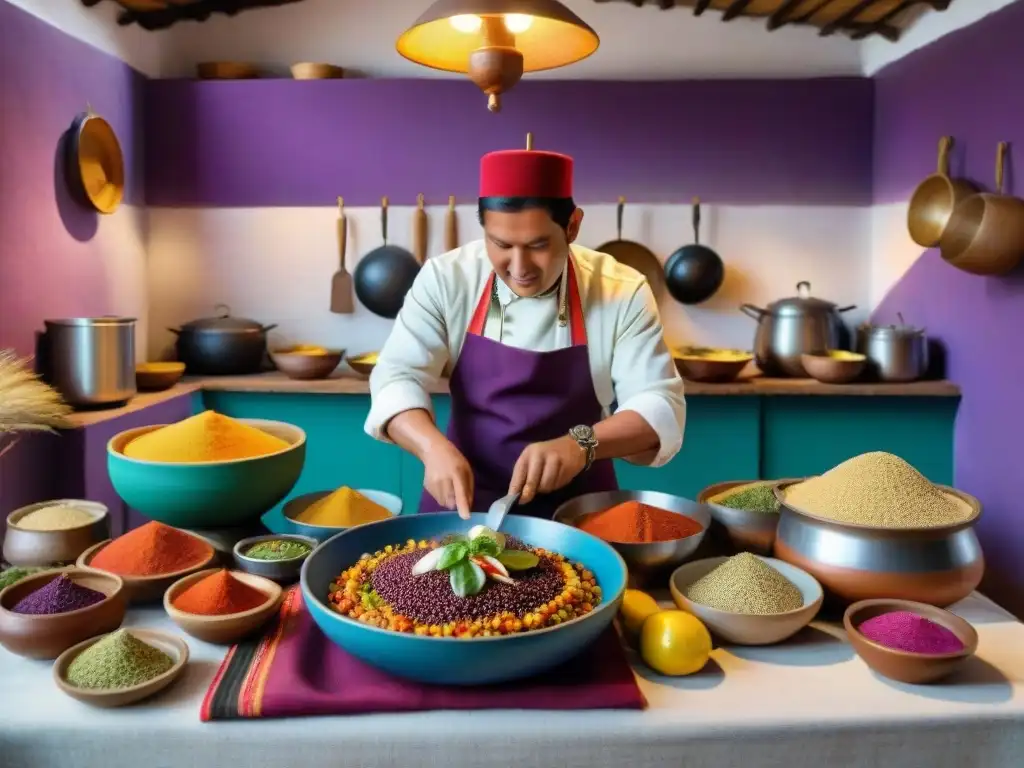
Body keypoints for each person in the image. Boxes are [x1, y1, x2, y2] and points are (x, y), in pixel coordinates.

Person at [364, 143, 686, 519]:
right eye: (501, 244)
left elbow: (658, 403)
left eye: (538, 245)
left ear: (573, 226)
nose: (519, 268)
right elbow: (396, 378)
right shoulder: (446, 278)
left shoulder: (620, 289)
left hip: (580, 509)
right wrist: (431, 448)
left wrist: (581, 443)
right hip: (464, 502)